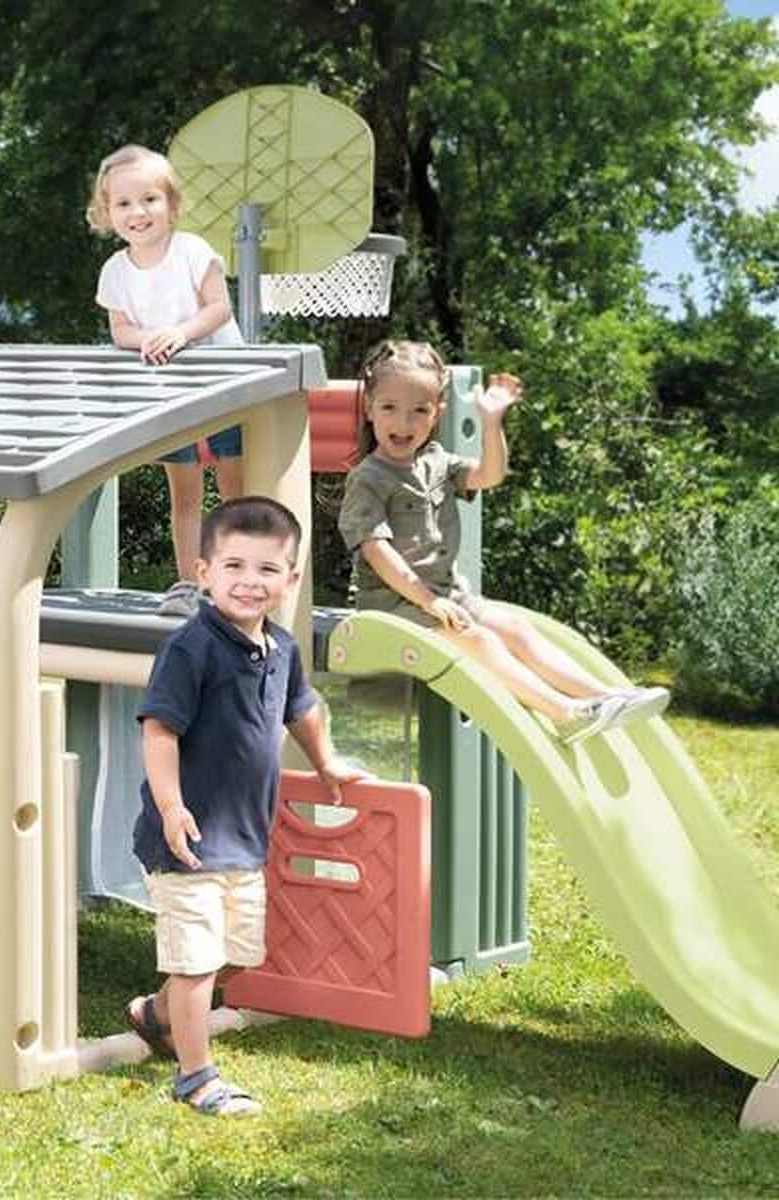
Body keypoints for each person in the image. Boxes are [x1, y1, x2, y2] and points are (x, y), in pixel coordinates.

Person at [124, 496, 361, 1117]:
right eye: (234, 566)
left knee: (235, 955)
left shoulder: (281, 647)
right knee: (198, 964)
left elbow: (302, 710)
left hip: (244, 838)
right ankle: (195, 1076)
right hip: (186, 840)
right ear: (204, 572)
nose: (250, 581)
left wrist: (327, 762)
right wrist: (170, 807)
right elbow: (159, 731)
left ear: (290, 579)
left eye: (267, 569)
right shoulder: (191, 648)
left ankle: (155, 1012)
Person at [337, 340, 670, 747]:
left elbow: (489, 475)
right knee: (481, 641)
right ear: (369, 407)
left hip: (446, 597)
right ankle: (564, 713)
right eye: (389, 407)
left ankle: (604, 697)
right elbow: (377, 551)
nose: (403, 422)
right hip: (396, 606)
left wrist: (491, 424)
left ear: (437, 412)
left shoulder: (437, 462)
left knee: (514, 627)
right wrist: (428, 600)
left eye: (419, 410)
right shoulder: (368, 478)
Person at [88, 143, 245, 619]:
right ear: (107, 213)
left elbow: (219, 308)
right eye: (124, 203)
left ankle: (237, 577)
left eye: (150, 199)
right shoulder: (115, 272)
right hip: (170, 393)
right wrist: (148, 339)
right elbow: (121, 332)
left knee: (234, 488)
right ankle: (187, 585)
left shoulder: (192, 252)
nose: (138, 212)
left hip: (224, 386)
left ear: (172, 204)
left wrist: (180, 333)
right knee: (185, 494)